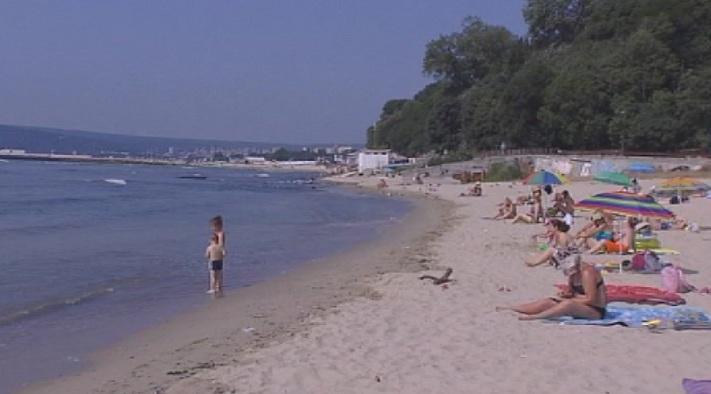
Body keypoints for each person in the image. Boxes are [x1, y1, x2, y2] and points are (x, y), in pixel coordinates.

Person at [499, 255, 607, 320]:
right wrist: (565, 294)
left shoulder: (588, 273)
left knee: (567, 304)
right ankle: (514, 308)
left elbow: (591, 299)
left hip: (596, 310)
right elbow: (572, 292)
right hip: (580, 305)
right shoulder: (573, 274)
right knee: (548, 301)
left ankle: (536, 317)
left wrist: (566, 299)